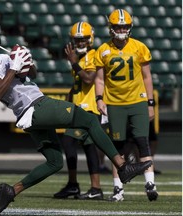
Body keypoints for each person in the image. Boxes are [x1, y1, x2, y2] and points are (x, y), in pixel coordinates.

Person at [0, 21, 152, 215]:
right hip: (36, 106)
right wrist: (13, 68)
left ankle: (11, 191)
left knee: (55, 162)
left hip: (30, 113)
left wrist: (26, 62)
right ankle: (122, 166)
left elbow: (28, 74)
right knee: (90, 120)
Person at [94, 9, 158, 202]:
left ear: (129, 27)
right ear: (111, 27)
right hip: (114, 103)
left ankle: (150, 184)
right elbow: (99, 79)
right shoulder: (103, 50)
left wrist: (150, 102)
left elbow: (147, 77)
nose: (121, 30)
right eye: (118, 26)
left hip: (137, 101)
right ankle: (118, 188)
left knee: (142, 142)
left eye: (124, 26)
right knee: (118, 147)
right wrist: (99, 99)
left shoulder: (139, 47)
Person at [53, 22, 103, 200]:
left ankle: (75, 185)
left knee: (68, 142)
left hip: (88, 109)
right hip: (79, 107)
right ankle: (94, 188)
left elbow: (89, 79)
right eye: (77, 40)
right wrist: (68, 102)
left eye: (83, 39)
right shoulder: (80, 58)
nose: (80, 43)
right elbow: (77, 85)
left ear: (90, 39)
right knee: (89, 148)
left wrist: (74, 63)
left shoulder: (93, 55)